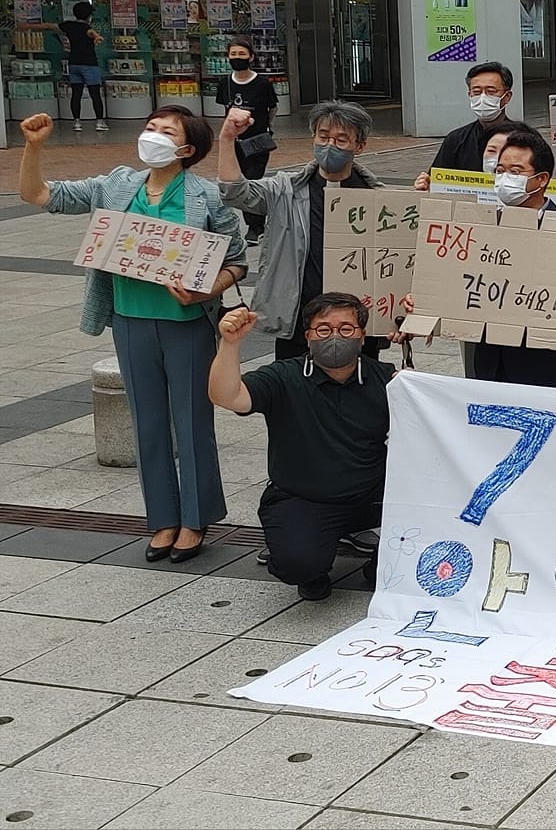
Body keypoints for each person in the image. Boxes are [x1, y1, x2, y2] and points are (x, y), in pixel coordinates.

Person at [19, 108, 247, 562]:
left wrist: (207, 288)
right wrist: (33, 146)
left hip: (187, 324)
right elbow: (39, 194)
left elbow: (237, 260)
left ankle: (195, 518)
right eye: (151, 128)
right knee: (147, 421)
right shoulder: (116, 185)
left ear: (186, 149)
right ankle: (162, 519)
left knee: (192, 421)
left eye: (166, 132)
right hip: (130, 319)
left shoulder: (206, 195)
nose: (153, 136)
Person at [210, 295, 392, 601]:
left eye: (346, 329)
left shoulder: (385, 378)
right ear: (308, 336)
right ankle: (313, 571)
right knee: (297, 563)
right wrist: (230, 344)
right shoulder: (283, 376)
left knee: (437, 510)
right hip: (304, 498)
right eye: (324, 329)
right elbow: (227, 396)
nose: (335, 337)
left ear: (362, 336)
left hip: (371, 495)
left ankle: (380, 566)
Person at [407, 130, 556, 389]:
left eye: (515, 172)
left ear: (541, 179)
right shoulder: (482, 226)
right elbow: (456, 279)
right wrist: (424, 303)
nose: (505, 178)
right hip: (491, 363)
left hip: (549, 365)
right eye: (500, 171)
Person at [218, 100, 385, 362]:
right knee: (293, 384)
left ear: (359, 146)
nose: (330, 145)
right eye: (323, 136)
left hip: (357, 324)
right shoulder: (285, 190)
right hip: (298, 321)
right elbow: (235, 192)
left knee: (359, 384)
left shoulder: (380, 199)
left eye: (341, 140)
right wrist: (227, 139)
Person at [215, 37, 280, 241]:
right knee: (238, 179)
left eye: (242, 54)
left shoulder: (262, 83)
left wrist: (267, 127)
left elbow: (272, 108)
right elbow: (225, 108)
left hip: (257, 140)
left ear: (251, 57)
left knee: (253, 179)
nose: (237, 58)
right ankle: (254, 223)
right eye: (233, 54)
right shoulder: (225, 82)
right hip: (235, 142)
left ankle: (255, 226)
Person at [431, 61, 519, 173]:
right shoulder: (456, 140)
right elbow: (438, 177)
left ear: (507, 97)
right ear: (469, 95)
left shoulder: (523, 139)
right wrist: (425, 181)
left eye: (491, 91)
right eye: (476, 92)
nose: (483, 98)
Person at [51, 1, 107, 132]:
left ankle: (77, 122)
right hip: (89, 64)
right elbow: (91, 33)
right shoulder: (86, 27)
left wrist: (28, 26)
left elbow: (49, 26)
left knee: (76, 94)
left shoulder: (68, 25)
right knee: (95, 94)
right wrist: (97, 37)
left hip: (74, 63)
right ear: (89, 16)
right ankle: (99, 122)